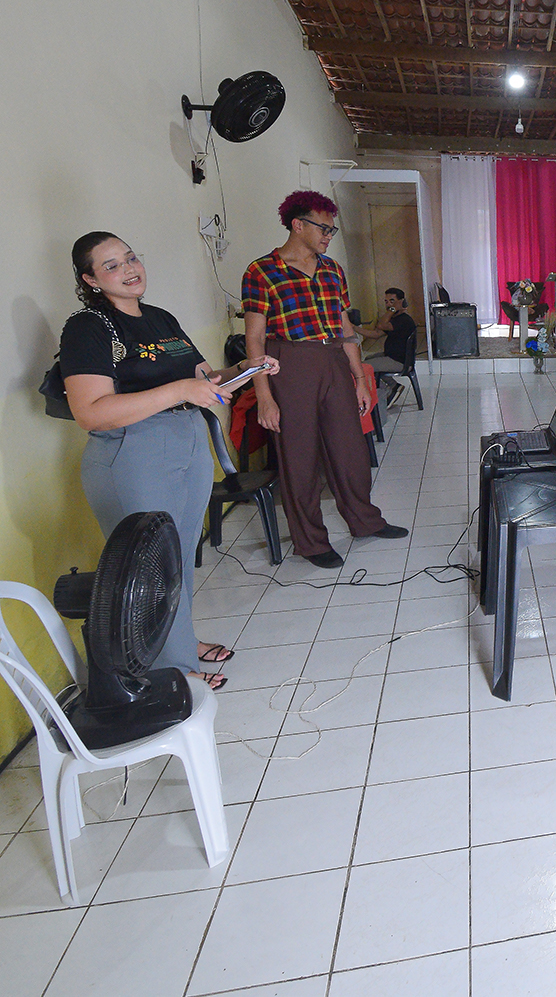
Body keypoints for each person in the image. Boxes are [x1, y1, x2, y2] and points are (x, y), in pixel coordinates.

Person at [60, 232, 283, 689]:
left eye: (131, 257)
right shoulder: (88, 327)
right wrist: (180, 390)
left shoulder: (160, 318)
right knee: (149, 566)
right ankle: (169, 670)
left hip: (186, 439)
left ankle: (180, 642)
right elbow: (90, 412)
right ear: (90, 279)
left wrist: (246, 370)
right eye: (111, 265)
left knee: (178, 555)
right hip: (133, 449)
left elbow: (206, 380)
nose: (129, 269)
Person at [242, 190, 408, 570]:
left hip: (333, 359)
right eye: (324, 228)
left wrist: (360, 378)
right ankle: (311, 541)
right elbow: (254, 338)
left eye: (332, 230)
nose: (329, 236)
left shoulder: (332, 270)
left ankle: (365, 520)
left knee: (350, 449)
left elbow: (345, 327)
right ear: (297, 225)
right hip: (289, 363)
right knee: (299, 457)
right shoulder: (262, 271)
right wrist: (264, 395)